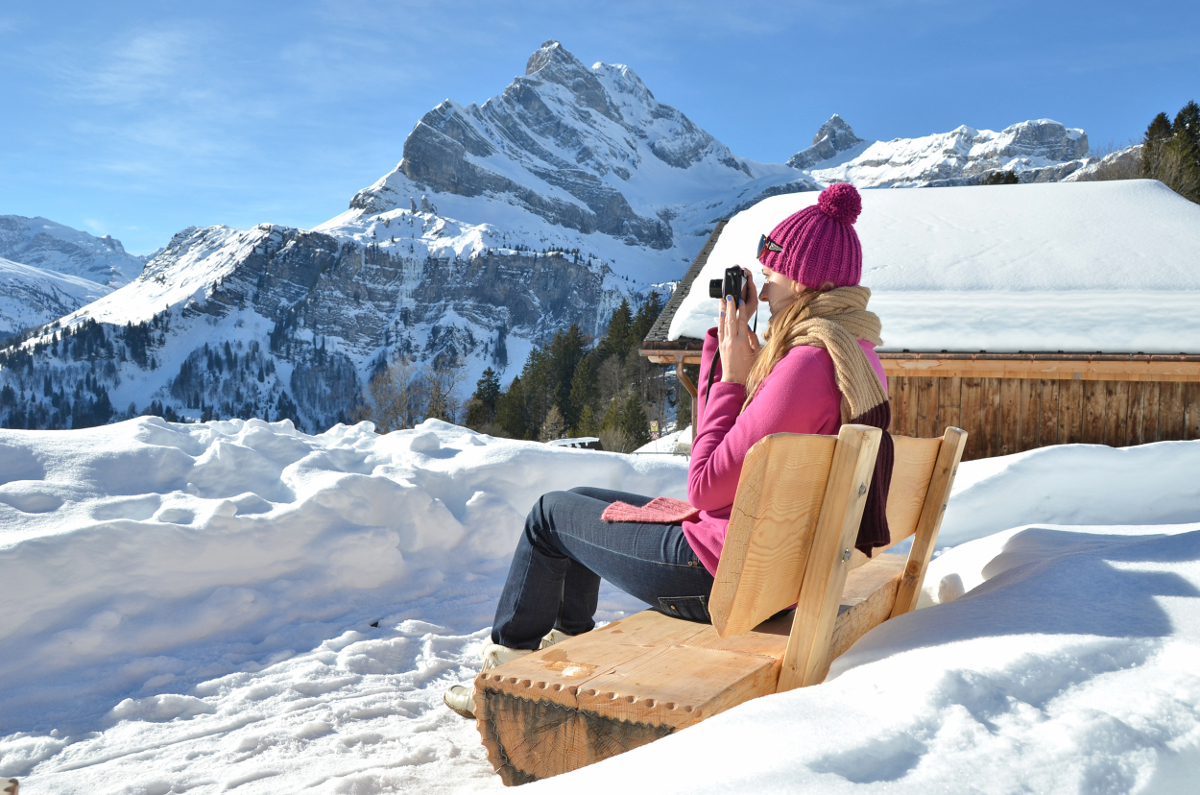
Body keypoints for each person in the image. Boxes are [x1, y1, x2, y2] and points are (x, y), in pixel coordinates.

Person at [444, 183, 893, 717]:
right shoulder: (854, 355)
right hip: (771, 567)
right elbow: (732, 468)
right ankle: (562, 651)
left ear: (801, 279)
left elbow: (703, 486)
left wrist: (731, 380)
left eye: (770, 277)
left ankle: (508, 671)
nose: (765, 293)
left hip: (722, 575)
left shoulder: (806, 364)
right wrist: (728, 357)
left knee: (548, 516)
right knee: (579, 496)